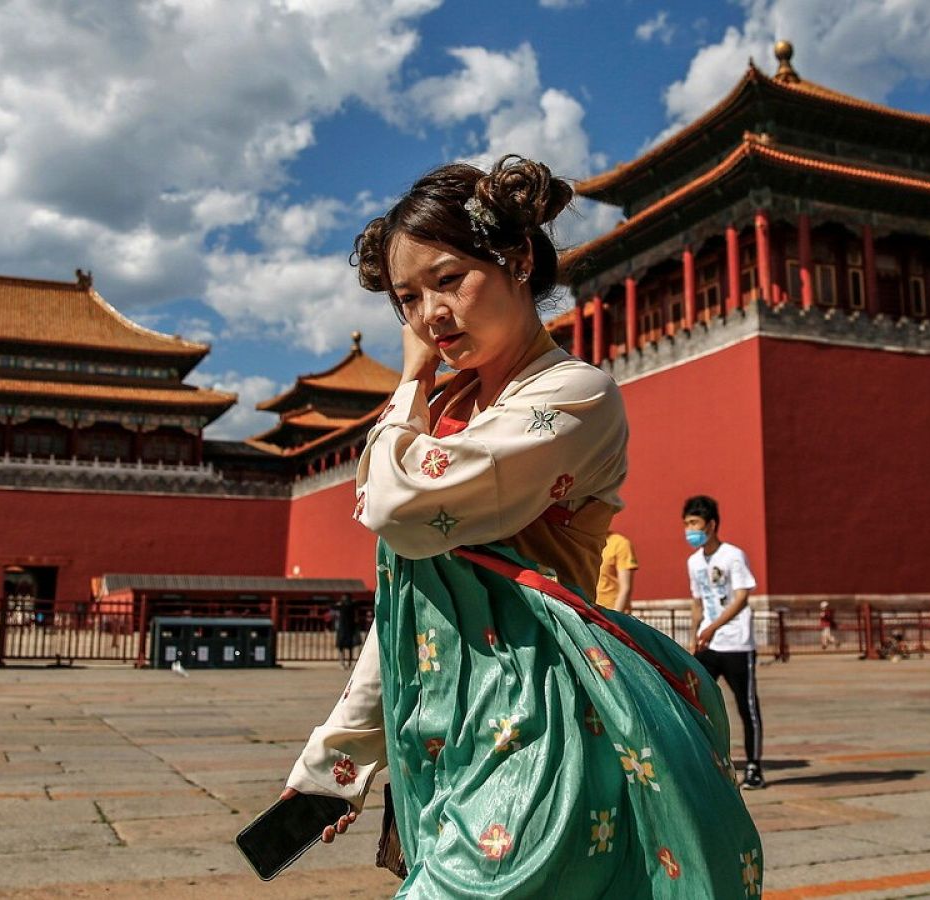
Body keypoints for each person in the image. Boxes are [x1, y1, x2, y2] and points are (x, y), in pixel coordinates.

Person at [280, 156, 760, 896]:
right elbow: (407, 610)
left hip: (537, 728)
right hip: (444, 736)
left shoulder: (575, 396)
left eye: (448, 279)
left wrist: (408, 382)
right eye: (408, 297)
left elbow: (394, 504)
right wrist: (333, 765)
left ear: (519, 259)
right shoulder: (443, 421)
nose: (428, 316)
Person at [686, 494, 766, 790]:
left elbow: (742, 598)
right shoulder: (693, 562)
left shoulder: (733, 555)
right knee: (694, 701)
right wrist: (696, 635)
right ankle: (705, 762)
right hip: (708, 644)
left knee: (747, 707)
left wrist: (715, 627)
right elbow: (697, 602)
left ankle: (754, 767)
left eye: (694, 523)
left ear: (711, 524)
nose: (689, 530)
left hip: (736, 643)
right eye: (686, 524)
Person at [596, 531, 638, 613]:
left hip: (612, 614)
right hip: (591, 613)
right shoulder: (586, 543)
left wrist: (614, 619)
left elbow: (625, 588)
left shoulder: (620, 544)